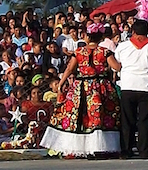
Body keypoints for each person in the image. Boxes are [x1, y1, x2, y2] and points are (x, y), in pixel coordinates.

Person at [41, 22, 120, 157]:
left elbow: (70, 68)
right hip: (100, 86)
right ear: (101, 38)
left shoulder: (78, 52)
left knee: (79, 115)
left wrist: (61, 83)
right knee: (99, 115)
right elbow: (117, 67)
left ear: (87, 37)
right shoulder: (105, 52)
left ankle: (81, 147)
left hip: (80, 86)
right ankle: (98, 147)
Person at [111, 18, 148, 159]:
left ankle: (126, 151)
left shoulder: (123, 46)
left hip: (128, 86)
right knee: (145, 120)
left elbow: (116, 65)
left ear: (133, 31)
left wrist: (120, 75)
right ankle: (144, 151)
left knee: (127, 120)